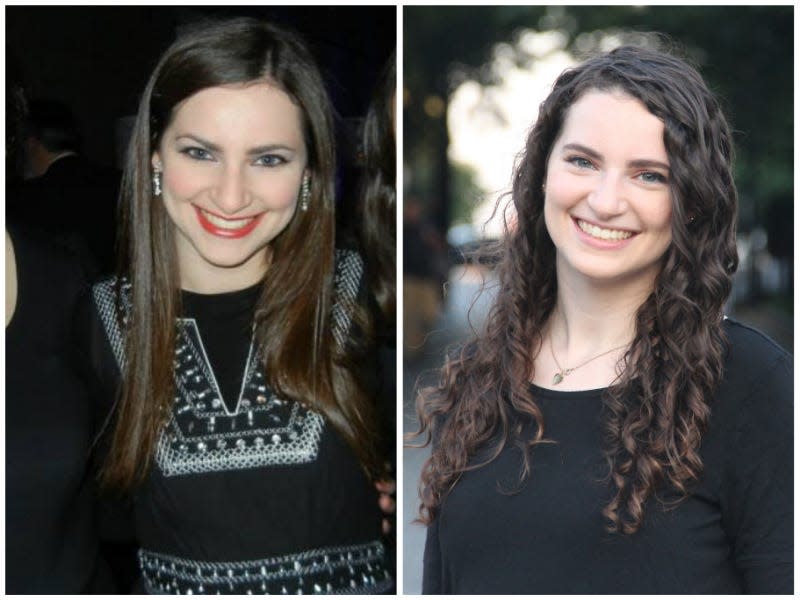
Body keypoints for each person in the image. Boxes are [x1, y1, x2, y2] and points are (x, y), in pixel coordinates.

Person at [415, 44, 792, 594]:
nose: (606, 199)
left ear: (690, 203)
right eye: (583, 161)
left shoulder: (750, 383)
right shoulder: (477, 380)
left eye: (649, 176)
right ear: (543, 171)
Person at [87, 18, 393, 594]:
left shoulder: (366, 296)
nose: (231, 196)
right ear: (154, 156)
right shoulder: (93, 320)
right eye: (200, 152)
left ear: (309, 172)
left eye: (268, 159)